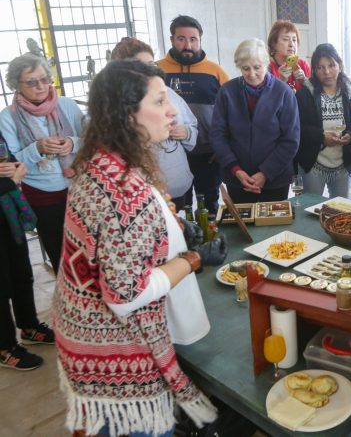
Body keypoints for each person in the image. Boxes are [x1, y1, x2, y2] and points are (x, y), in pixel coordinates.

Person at [53, 60, 220, 437]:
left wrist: (175, 229)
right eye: (160, 101)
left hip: (81, 333)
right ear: (129, 115)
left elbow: (122, 243)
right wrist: (191, 260)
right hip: (114, 356)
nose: (172, 109)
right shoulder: (125, 191)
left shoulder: (101, 161)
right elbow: (127, 294)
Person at [0, 54, 83, 271]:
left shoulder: (67, 104)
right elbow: (13, 161)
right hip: (41, 194)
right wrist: (38, 148)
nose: (41, 87)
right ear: (16, 85)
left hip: (78, 188)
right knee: (60, 254)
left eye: (45, 79)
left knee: (87, 248)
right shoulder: (8, 117)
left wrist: (72, 143)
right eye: (31, 82)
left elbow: (91, 140)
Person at [111, 37, 199, 210]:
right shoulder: (114, 109)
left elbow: (192, 126)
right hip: (144, 198)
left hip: (177, 186)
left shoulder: (169, 93)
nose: (171, 112)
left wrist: (187, 132)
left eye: (151, 65)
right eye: (141, 66)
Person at [210, 39, 300, 203]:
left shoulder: (284, 93)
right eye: (246, 68)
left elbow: (290, 140)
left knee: (274, 227)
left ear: (266, 64)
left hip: (275, 179)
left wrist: (265, 173)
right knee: (242, 226)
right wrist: (235, 169)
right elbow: (217, 135)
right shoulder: (227, 92)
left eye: (257, 67)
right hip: (237, 178)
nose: (251, 74)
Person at [156, 15, 229, 214]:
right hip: (170, 154)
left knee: (210, 205)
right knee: (177, 209)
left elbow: (231, 113)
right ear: (171, 40)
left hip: (208, 153)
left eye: (193, 39)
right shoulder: (156, 71)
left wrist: (222, 146)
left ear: (200, 40)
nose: (187, 45)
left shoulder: (216, 71)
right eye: (181, 39)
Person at [0, 137, 54, 371]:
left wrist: (17, 166)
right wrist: (12, 181)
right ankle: (4, 348)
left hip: (8, 214)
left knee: (22, 273)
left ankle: (29, 326)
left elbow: (9, 159)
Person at [295, 43, 351, 198]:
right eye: (320, 67)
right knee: (310, 210)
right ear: (314, 70)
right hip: (313, 164)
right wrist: (321, 137)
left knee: (340, 212)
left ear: (339, 65)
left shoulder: (350, 93)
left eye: (331, 65)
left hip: (342, 165)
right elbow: (296, 127)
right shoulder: (305, 95)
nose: (327, 72)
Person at [266, 20, 311, 93]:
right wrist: (281, 81)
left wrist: (304, 80)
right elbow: (266, 99)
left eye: (294, 40)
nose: (291, 44)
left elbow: (316, 95)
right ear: (273, 44)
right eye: (285, 39)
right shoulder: (267, 67)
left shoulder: (303, 64)